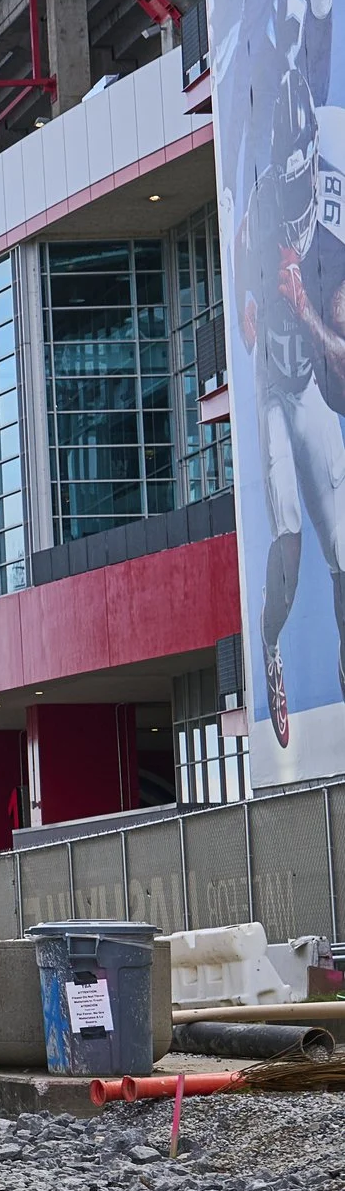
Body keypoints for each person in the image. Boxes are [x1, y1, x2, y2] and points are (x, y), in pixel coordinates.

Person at [242, 72, 345, 747]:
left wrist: (305, 307)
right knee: (289, 539)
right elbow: (250, 321)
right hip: (272, 388)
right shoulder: (262, 214)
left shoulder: (329, 250)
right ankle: (272, 643)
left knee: (343, 552)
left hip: (308, 385)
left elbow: (340, 355)